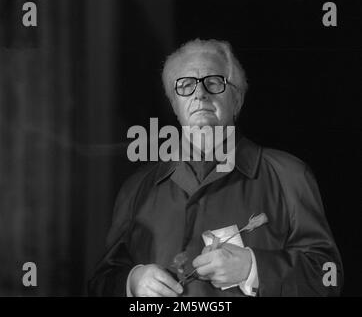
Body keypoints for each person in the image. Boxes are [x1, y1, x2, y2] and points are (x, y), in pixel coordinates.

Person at [88, 39, 343, 297]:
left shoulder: (289, 175)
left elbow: (328, 277)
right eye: (186, 86)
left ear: (237, 99)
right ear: (175, 105)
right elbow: (100, 283)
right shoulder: (136, 188)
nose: (200, 94)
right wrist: (132, 282)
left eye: (213, 82)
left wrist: (253, 268)